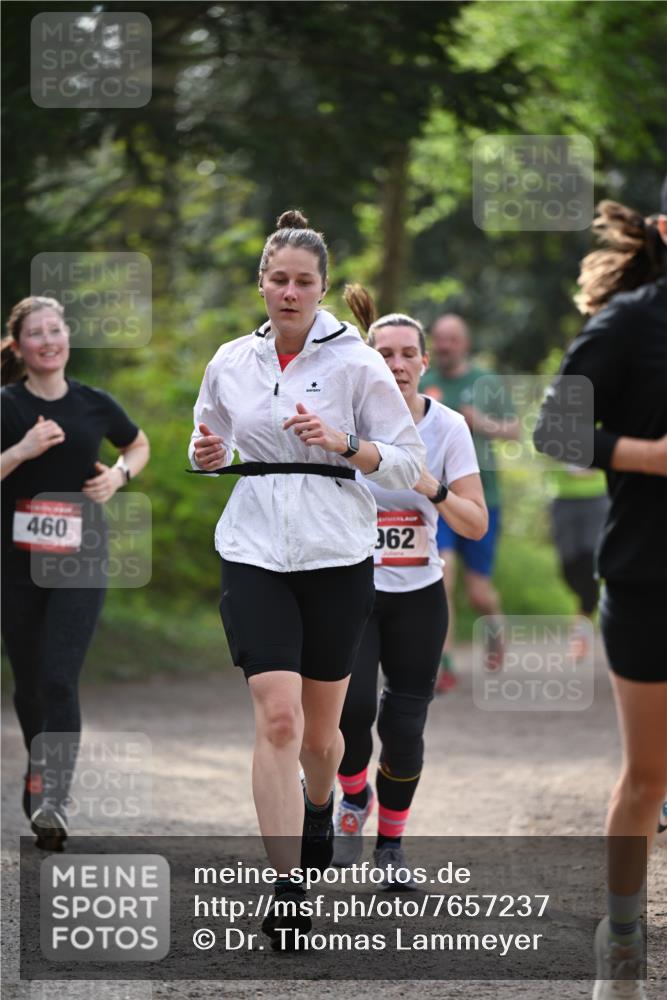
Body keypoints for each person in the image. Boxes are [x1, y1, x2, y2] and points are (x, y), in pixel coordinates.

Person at [188, 210, 424, 948]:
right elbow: (213, 444)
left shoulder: (355, 362)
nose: (288, 292)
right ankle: (287, 888)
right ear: (261, 282)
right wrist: (206, 457)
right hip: (253, 546)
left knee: (323, 738)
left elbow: (409, 461)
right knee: (278, 720)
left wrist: (345, 442)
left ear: (321, 289)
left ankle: (319, 805)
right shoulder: (230, 360)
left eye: (303, 282)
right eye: (277, 279)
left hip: (335, 552)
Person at [534, 192, 667, 1000]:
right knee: (647, 777)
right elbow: (557, 428)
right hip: (650, 572)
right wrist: (651, 455)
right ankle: (621, 939)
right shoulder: (629, 323)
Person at [332, 286, 487, 884]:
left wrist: (430, 488)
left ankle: (390, 848)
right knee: (351, 711)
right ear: (368, 360)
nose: (396, 364)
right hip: (351, 589)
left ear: (424, 363)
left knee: (403, 725)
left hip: (419, 596)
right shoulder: (345, 424)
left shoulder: (446, 429)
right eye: (385, 354)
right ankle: (351, 797)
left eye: (407, 355)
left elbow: (475, 523)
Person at [1, 296, 150, 851]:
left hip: (80, 559)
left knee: (60, 678)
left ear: (67, 337)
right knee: (30, 687)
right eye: (35, 334)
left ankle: (53, 799)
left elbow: (137, 445)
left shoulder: (93, 403)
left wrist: (117, 477)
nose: (48, 340)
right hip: (14, 566)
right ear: (19, 346)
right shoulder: (7, 406)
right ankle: (38, 777)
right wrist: (21, 449)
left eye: (55, 330)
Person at [422, 314, 520, 690]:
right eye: (440, 339)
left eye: (452, 339)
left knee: (479, 591)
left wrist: (480, 422)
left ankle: (494, 627)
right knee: (442, 576)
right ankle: (442, 662)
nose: (445, 345)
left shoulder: (484, 382)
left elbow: (513, 430)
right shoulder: (424, 382)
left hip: (483, 497)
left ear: (465, 343)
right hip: (438, 497)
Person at [548, 463, 610, 660]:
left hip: (597, 498)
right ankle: (584, 610)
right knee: (569, 570)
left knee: (590, 567)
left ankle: (580, 635)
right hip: (562, 499)